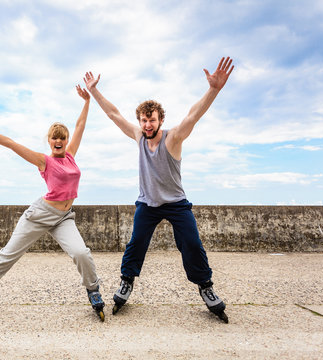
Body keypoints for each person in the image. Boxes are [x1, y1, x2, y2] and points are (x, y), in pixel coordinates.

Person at [83, 57, 234, 322]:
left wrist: (214, 89)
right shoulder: (139, 137)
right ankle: (127, 281)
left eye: (151, 120)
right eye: (143, 120)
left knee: (191, 243)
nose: (147, 125)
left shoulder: (173, 137)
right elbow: (113, 114)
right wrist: (94, 90)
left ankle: (206, 287)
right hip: (148, 203)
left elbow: (194, 115)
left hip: (176, 203)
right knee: (136, 243)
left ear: (160, 119)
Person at [0, 85, 106, 324]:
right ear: (49, 141)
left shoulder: (71, 155)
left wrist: (86, 102)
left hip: (64, 217)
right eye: (55, 137)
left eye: (62, 137)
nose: (59, 140)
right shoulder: (44, 161)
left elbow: (81, 125)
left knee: (81, 253)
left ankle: (93, 291)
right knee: (9, 254)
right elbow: (10, 143)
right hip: (40, 214)